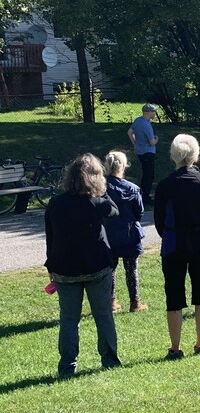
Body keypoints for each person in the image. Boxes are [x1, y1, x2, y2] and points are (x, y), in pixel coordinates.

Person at [45, 153, 121, 376]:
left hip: (64, 268)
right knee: (103, 315)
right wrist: (103, 190)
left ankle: (67, 366)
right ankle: (109, 360)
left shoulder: (56, 204)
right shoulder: (97, 203)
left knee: (69, 319)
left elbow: (50, 236)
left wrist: (50, 265)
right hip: (97, 266)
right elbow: (115, 210)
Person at [155, 134, 200, 359]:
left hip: (173, 244)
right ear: (195, 155)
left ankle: (175, 348)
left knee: (174, 295)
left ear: (173, 156)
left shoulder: (164, 186)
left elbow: (159, 222)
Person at [103, 151, 147, 313]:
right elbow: (139, 213)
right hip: (130, 234)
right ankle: (135, 302)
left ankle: (111, 302)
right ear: (124, 166)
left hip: (109, 234)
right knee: (131, 269)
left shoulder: (101, 188)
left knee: (110, 270)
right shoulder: (133, 189)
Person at [127, 103, 159, 205]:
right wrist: (156, 138)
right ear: (148, 112)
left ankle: (144, 195)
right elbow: (152, 142)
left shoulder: (138, 121)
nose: (154, 113)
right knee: (149, 175)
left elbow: (129, 132)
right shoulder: (146, 125)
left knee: (146, 174)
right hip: (148, 153)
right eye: (153, 111)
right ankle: (145, 197)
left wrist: (135, 143)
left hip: (140, 152)